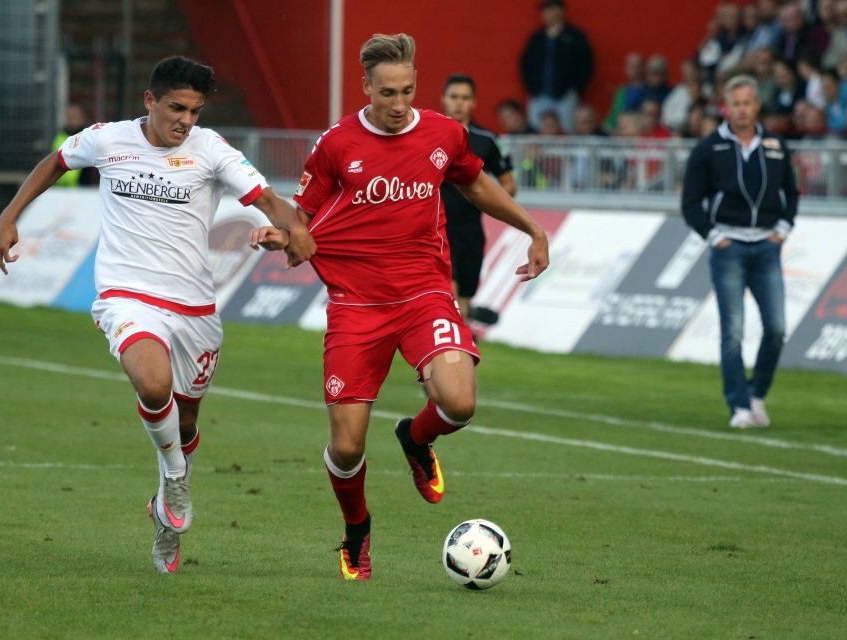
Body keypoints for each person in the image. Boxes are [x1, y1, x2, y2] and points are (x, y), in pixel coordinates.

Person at [0, 56, 315, 573]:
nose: (185, 120)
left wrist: (294, 228)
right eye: (176, 107)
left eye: (195, 110)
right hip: (127, 295)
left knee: (185, 422)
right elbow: (56, 162)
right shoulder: (108, 139)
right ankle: (176, 480)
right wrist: (11, 215)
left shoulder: (210, 150)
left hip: (194, 309)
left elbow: (267, 200)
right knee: (151, 382)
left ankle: (166, 511)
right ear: (150, 101)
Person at [250, 33, 549, 580]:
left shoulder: (442, 133)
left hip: (424, 295)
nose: (397, 104)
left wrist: (531, 228)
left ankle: (416, 437)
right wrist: (279, 234)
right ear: (366, 86)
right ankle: (357, 531)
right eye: (387, 92)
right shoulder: (337, 143)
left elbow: (476, 183)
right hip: (356, 305)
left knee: (459, 402)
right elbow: (302, 215)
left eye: (407, 91)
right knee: (345, 447)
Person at [681, 74, 798, 429]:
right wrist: (714, 236)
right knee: (732, 330)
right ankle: (739, 406)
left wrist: (783, 229)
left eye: (748, 103)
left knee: (776, 328)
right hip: (728, 246)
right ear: (725, 107)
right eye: (736, 104)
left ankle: (757, 394)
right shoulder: (708, 148)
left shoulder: (775, 145)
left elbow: (791, 193)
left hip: (767, 246)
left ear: (757, 105)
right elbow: (691, 203)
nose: (743, 109)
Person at [438, 73, 516, 321]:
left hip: (471, 228)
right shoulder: (427, 135)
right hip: (436, 228)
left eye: (465, 98)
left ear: (473, 102)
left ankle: (460, 335)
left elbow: (509, 185)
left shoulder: (487, 141)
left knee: (464, 296)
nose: (459, 103)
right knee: (448, 289)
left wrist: (486, 198)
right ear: (444, 100)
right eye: (454, 97)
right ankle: (456, 337)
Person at [519, 0, 594, 132]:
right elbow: (525, 63)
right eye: (544, 11)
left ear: (560, 11)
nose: (545, 14)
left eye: (549, 10)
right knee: (536, 133)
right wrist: (532, 87)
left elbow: (586, 63)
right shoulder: (537, 37)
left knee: (567, 131)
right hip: (539, 94)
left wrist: (575, 87)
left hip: (565, 95)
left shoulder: (574, 36)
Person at [52, 103, 98, 187]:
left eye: (74, 117)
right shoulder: (60, 135)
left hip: (82, 188)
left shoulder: (88, 138)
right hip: (59, 188)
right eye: (68, 117)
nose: (70, 120)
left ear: (83, 119)